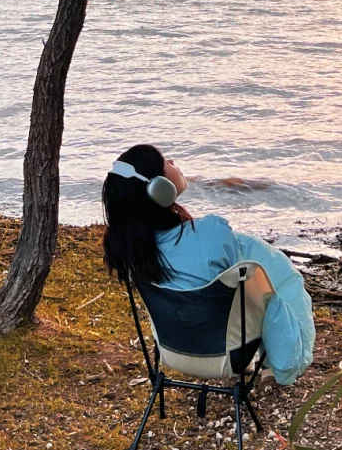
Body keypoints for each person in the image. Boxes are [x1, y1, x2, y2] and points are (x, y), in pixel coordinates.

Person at [101, 143, 315, 385]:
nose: (172, 162)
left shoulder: (132, 251)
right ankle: (281, 362)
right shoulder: (212, 233)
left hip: (174, 350)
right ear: (158, 188)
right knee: (276, 277)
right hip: (228, 355)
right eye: (165, 161)